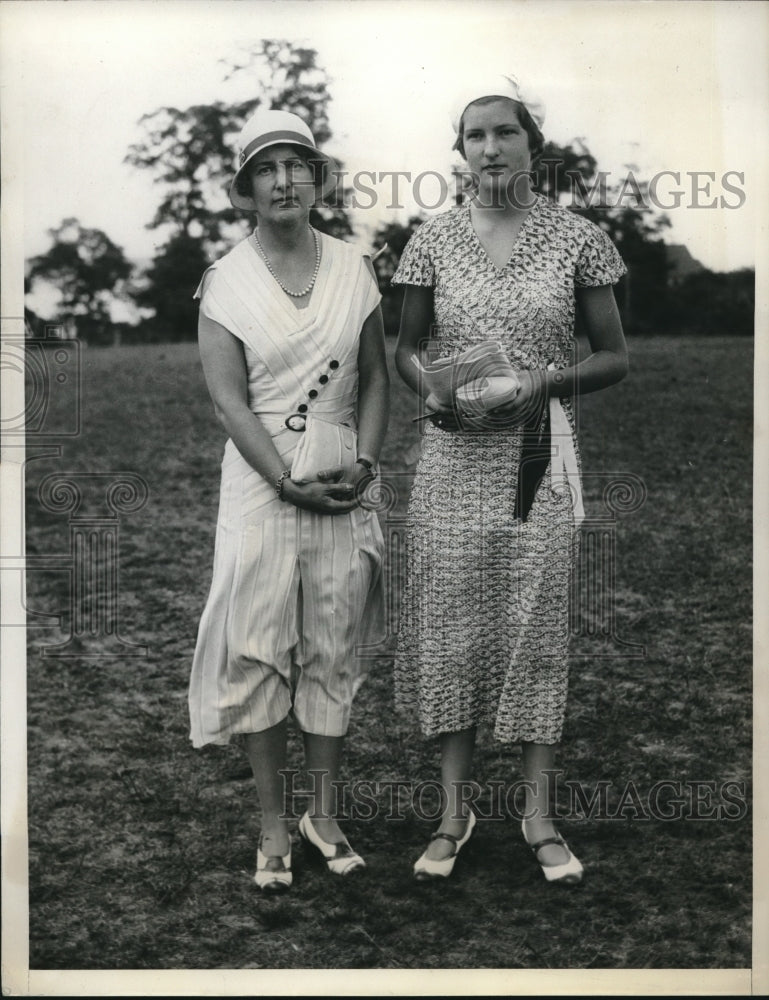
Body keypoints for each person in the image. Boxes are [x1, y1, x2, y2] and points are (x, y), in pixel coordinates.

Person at [392, 74, 628, 883]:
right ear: (458, 153)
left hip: (536, 454)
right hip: (452, 459)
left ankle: (537, 817)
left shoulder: (577, 239)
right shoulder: (430, 239)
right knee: (451, 630)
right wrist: (430, 389)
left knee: (534, 631)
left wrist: (541, 384)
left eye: (504, 132)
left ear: (533, 144)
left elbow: (613, 357)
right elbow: (405, 347)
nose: (489, 148)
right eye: (473, 137)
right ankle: (452, 817)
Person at [188, 109, 389, 892]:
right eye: (265, 171)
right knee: (259, 647)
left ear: (317, 179)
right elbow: (230, 403)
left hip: (342, 475)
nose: (282, 182)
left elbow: (374, 377)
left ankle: (323, 814)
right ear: (244, 191)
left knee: (332, 646)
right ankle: (274, 823)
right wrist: (280, 476)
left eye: (296, 166)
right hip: (261, 479)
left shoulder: (353, 267)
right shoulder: (224, 282)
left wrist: (366, 462)